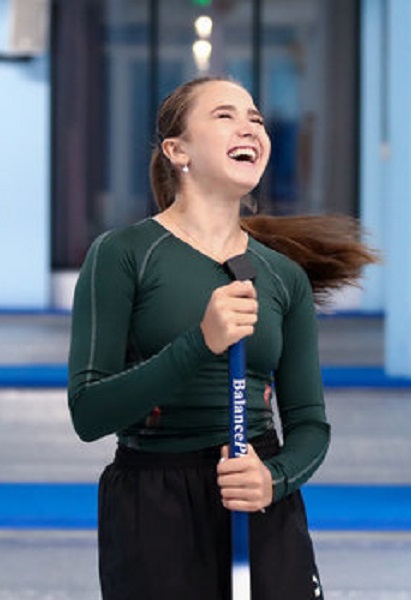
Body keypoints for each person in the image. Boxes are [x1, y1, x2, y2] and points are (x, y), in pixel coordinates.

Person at [67, 75, 377, 599]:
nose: (250, 127)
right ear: (177, 150)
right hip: (154, 502)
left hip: (257, 491)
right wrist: (200, 343)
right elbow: (89, 412)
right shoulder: (123, 254)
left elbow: (309, 423)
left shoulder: (282, 276)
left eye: (256, 118)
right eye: (225, 115)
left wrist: (274, 479)